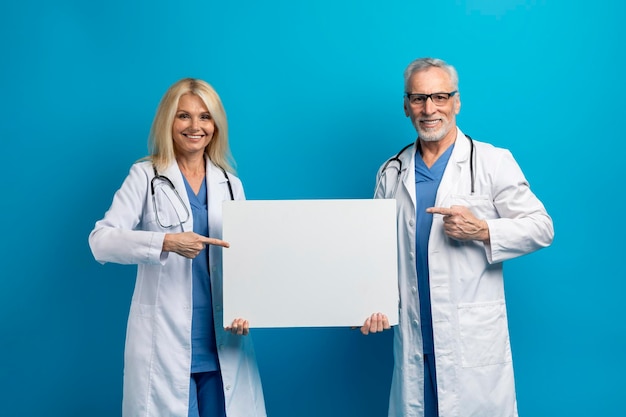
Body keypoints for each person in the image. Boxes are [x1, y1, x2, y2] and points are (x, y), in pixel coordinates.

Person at [361, 58, 554, 417]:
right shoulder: (392, 171)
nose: (429, 108)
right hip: (416, 340)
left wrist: (483, 230)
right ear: (405, 106)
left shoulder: (492, 161)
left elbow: (542, 227)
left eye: (439, 96)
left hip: (471, 343)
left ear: (456, 102)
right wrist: (368, 301)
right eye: (418, 98)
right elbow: (376, 252)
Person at [89, 78, 266, 417]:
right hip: (164, 346)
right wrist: (165, 242)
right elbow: (101, 241)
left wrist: (249, 309)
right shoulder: (145, 176)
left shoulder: (230, 183)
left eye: (205, 117)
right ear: (168, 122)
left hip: (223, 344)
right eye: (184, 116)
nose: (195, 126)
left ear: (216, 125)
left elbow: (246, 259)